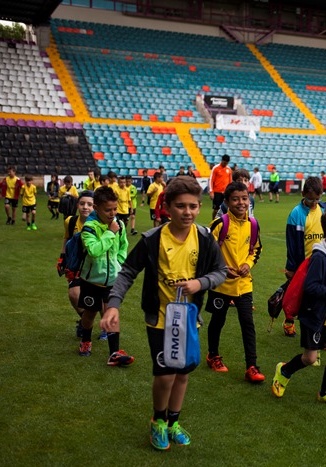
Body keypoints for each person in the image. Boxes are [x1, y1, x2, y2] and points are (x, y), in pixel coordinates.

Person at [101, 177, 225, 450]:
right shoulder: (152, 239)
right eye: (180, 206)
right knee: (166, 373)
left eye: (193, 206)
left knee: (182, 373)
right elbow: (128, 271)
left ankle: (173, 422)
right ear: (167, 207)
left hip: (190, 319)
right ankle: (158, 420)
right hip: (159, 319)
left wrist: (199, 283)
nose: (187, 212)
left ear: (200, 206)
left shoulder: (204, 238)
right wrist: (113, 304)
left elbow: (220, 271)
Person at [271, 206, 326, 405]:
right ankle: (284, 371)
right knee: (310, 358)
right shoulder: (319, 257)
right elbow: (311, 288)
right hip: (314, 317)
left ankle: (325, 391)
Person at [204, 181, 264, 381]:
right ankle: (213, 355)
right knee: (218, 320)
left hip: (244, 284)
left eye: (244, 198)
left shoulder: (253, 225)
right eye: (236, 199)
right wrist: (221, 269)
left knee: (248, 323)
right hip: (221, 285)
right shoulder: (219, 224)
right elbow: (206, 252)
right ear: (227, 202)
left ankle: (252, 366)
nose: (241, 203)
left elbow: (255, 250)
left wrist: (248, 264)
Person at [77, 186, 132, 367]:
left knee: (111, 313)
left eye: (115, 209)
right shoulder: (89, 227)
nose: (112, 213)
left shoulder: (120, 225)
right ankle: (86, 340)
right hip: (92, 281)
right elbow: (93, 251)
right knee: (90, 313)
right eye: (108, 210)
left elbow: (123, 247)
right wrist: (110, 233)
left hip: (112, 281)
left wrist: (119, 265)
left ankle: (114, 353)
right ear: (96, 208)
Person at [283, 176, 326, 337]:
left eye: (317, 199)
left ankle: (315, 332)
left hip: (321, 263)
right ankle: (289, 319)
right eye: (310, 199)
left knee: (318, 299)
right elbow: (292, 243)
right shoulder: (296, 214)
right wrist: (292, 267)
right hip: (302, 265)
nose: (314, 203)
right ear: (303, 193)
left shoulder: (325, 209)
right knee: (296, 295)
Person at [58, 190, 94, 339]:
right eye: (82, 203)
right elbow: (67, 239)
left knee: (99, 300)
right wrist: (62, 258)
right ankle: (85, 320)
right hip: (77, 264)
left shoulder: (100, 223)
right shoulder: (70, 221)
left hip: (95, 265)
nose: (85, 207)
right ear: (77, 205)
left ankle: (105, 328)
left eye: (90, 204)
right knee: (74, 295)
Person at [210, 155, 232, 219]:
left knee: (226, 209)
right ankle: (214, 221)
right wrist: (211, 192)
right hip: (217, 192)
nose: (225, 164)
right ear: (222, 160)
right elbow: (211, 180)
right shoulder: (216, 168)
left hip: (225, 193)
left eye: (227, 163)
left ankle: (224, 222)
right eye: (224, 162)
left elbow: (230, 182)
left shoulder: (229, 169)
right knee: (216, 210)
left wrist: (230, 192)